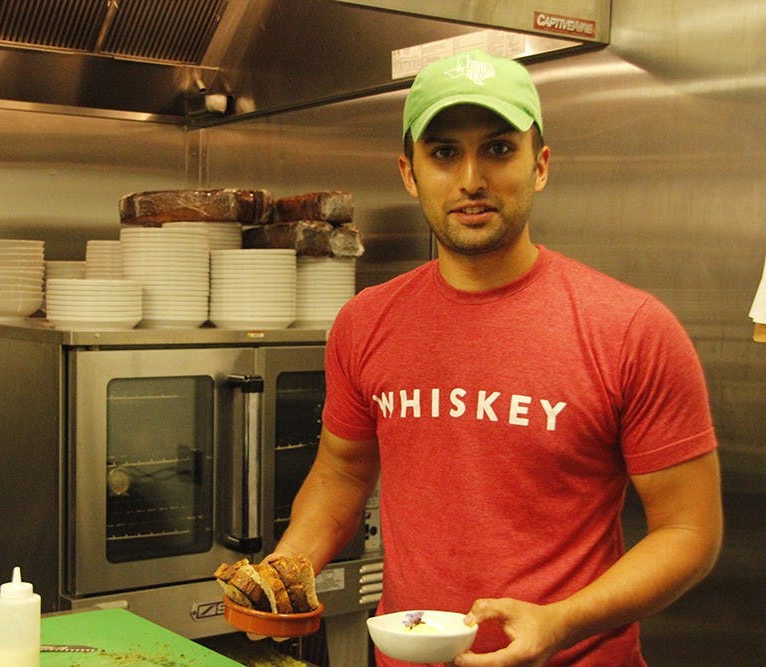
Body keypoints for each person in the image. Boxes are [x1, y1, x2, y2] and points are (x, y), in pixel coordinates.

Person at [271, 49, 723, 666]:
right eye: (444, 153)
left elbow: (689, 532)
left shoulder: (630, 329)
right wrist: (283, 574)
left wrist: (561, 623)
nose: (471, 180)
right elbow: (341, 476)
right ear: (409, 172)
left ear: (540, 165)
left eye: (499, 149)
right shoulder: (366, 322)